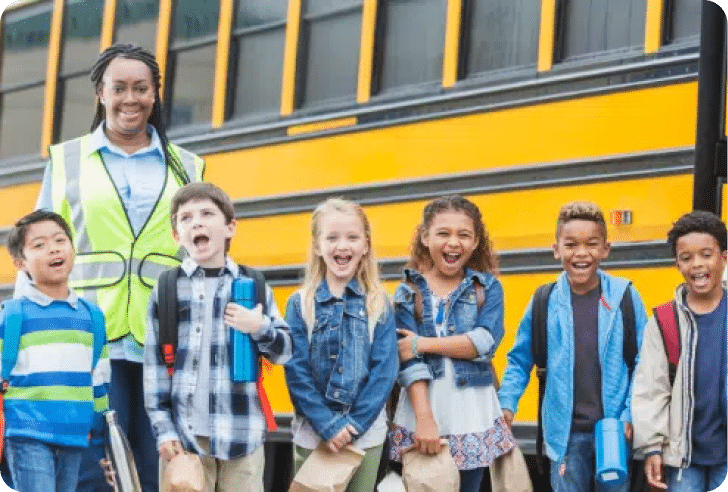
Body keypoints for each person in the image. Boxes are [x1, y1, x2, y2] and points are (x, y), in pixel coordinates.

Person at [28, 43, 205, 492]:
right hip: (86, 337)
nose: (131, 99)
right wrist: (23, 327)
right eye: (119, 88)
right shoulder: (68, 159)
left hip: (162, 339)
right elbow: (37, 247)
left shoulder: (187, 167)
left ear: (154, 95)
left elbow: (200, 255)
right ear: (100, 94)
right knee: (94, 471)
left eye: (141, 88)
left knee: (154, 468)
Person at [143, 182, 292, 492]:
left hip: (243, 435)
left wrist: (258, 326)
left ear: (230, 228)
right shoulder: (167, 288)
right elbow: (155, 369)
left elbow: (286, 351)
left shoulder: (253, 284)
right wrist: (164, 430)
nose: (196, 221)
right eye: (186, 218)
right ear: (176, 236)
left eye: (207, 213)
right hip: (185, 439)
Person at [497, 201, 648, 492]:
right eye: (571, 245)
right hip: (564, 436)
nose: (581, 253)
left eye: (591, 244)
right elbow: (519, 359)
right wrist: (507, 403)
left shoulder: (626, 297)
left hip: (613, 432)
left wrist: (629, 414)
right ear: (557, 249)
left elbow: (644, 362)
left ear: (606, 249)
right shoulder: (544, 301)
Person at [388, 195, 516, 492]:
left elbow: (483, 343)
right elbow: (408, 361)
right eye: (443, 233)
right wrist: (424, 419)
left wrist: (423, 343)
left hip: (472, 413)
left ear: (475, 242)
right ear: (425, 237)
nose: (453, 242)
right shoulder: (408, 292)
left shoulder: (487, 288)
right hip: (424, 411)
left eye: (464, 234)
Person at [284, 198, 398, 491]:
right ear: (317, 246)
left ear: (366, 245)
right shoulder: (300, 304)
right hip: (313, 433)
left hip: (365, 435)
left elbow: (384, 371)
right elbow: (296, 371)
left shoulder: (379, 302)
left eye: (352, 237)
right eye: (331, 237)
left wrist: (354, 425)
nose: (342, 246)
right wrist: (328, 424)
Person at [3, 210, 110, 492]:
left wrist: (104, 443)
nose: (53, 248)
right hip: (27, 432)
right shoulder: (13, 315)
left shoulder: (93, 318)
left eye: (60, 240)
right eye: (38, 245)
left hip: (74, 434)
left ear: (72, 249)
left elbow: (98, 383)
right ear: (21, 263)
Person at [632, 211, 727, 492]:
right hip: (684, 458)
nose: (697, 264)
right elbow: (651, 389)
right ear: (677, 264)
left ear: (723, 258)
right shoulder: (664, 321)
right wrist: (652, 447)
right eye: (686, 258)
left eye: (706, 254)